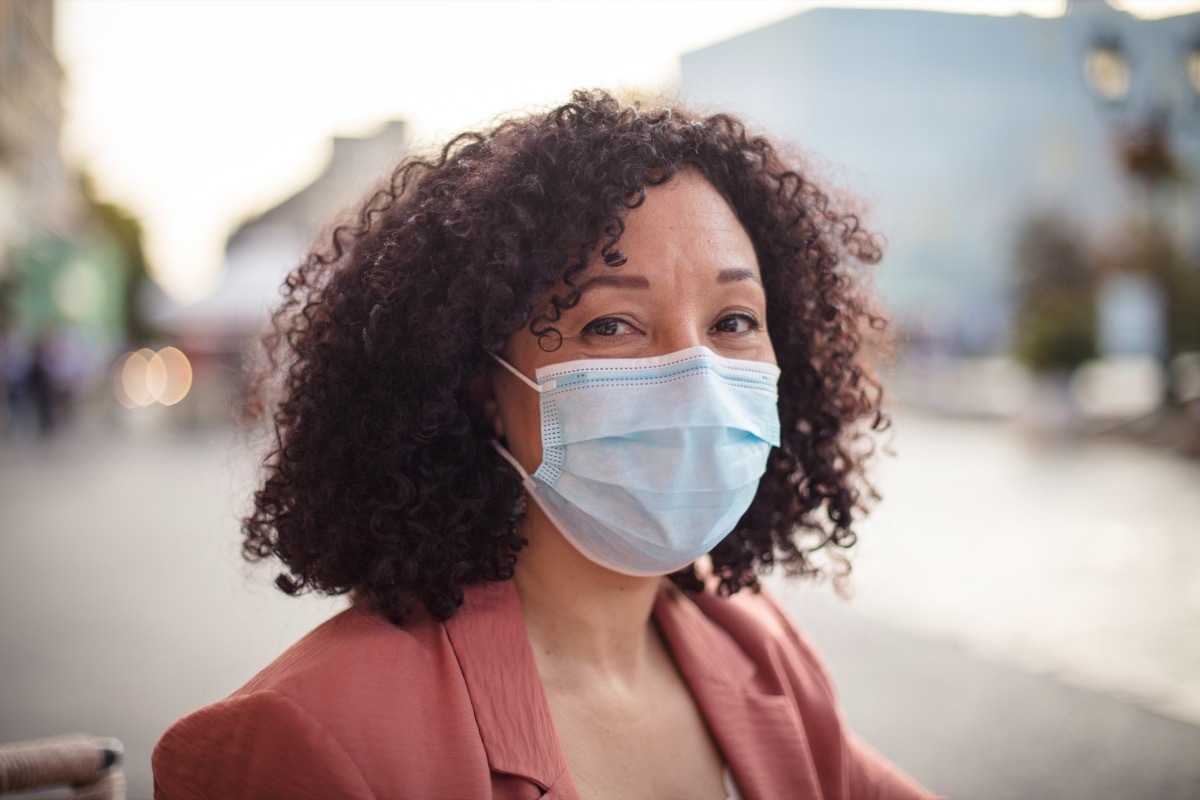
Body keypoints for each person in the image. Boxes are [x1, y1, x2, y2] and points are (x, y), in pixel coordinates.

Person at [152, 90, 938, 800]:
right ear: (478, 386)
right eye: (611, 325)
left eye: (734, 321)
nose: (695, 375)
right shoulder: (313, 738)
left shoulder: (760, 649)